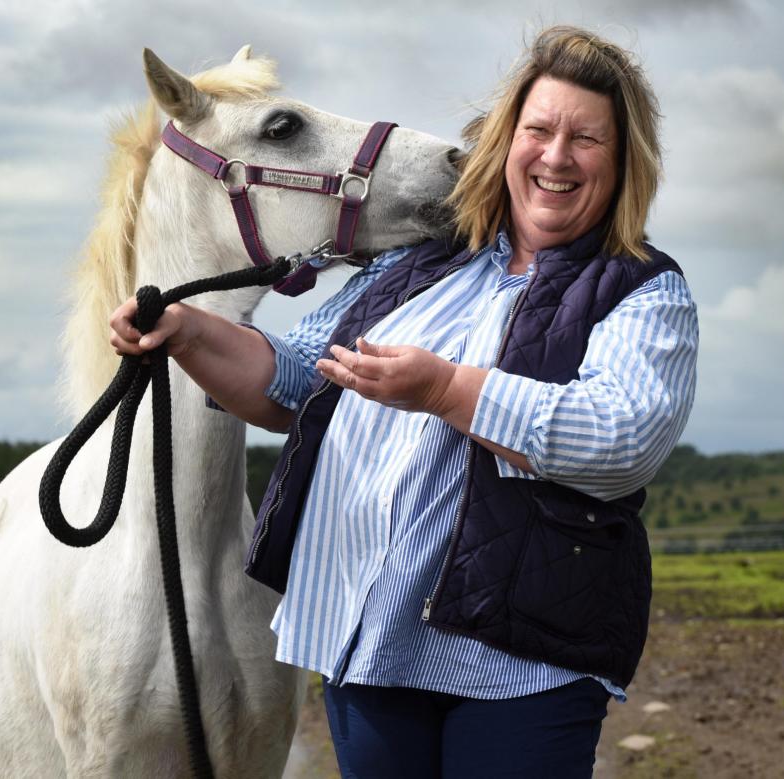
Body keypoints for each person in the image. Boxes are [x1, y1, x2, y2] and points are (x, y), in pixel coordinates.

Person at [110, 25, 698, 779]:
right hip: (369, 649)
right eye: (539, 129)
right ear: (506, 139)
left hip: (518, 666)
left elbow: (620, 441)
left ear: (622, 163)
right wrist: (192, 332)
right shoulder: (417, 263)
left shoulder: (641, 288)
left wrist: (445, 389)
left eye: (585, 139)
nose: (555, 156)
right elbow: (298, 379)